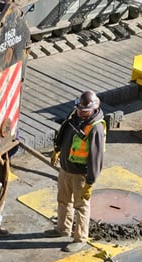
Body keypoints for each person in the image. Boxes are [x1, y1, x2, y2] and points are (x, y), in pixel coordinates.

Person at [45, 90, 106, 252]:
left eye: (84, 111)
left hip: (81, 175)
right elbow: (65, 133)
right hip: (65, 169)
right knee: (63, 200)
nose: (80, 112)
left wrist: (90, 182)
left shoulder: (95, 129)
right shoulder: (75, 117)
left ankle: (80, 238)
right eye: (79, 109)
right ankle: (62, 228)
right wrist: (57, 149)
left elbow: (96, 157)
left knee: (81, 206)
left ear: (93, 110)